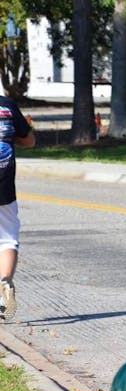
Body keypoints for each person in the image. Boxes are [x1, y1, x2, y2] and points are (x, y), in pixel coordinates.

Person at [0, 96, 35, 320]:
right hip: (4, 186)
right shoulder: (7, 106)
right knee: (7, 239)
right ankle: (5, 281)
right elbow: (29, 140)